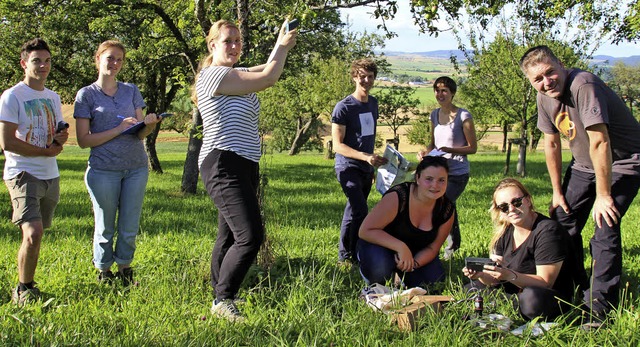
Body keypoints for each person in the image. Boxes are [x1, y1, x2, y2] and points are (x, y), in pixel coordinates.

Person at [520, 45, 640, 320]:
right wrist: (557, 192)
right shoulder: (544, 97)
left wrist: (603, 194)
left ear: (561, 64)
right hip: (584, 165)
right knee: (561, 220)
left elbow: (600, 140)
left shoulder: (583, 85)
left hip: (624, 161)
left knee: (605, 224)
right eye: (538, 79)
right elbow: (551, 143)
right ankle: (571, 288)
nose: (546, 81)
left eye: (550, 72)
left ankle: (598, 308)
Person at [193, 19, 296, 321]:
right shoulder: (212, 75)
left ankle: (218, 295)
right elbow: (268, 78)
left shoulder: (234, 73)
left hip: (245, 163)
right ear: (212, 45)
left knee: (228, 235)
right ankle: (223, 299)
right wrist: (284, 47)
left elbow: (264, 67)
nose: (235, 46)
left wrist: (279, 41)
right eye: (228, 41)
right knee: (250, 235)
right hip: (223, 162)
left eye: (238, 40)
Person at [73, 40, 162, 285]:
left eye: (119, 59)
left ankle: (125, 269)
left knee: (129, 224)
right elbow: (83, 140)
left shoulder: (131, 90)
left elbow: (139, 133)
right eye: (110, 58)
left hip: (136, 167)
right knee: (105, 225)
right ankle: (103, 270)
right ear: (98, 59)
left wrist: (149, 126)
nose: (115, 63)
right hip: (103, 169)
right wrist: (118, 128)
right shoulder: (86, 95)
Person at [0, 38, 69, 304]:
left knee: (38, 234)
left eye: (47, 61)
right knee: (33, 233)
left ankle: (27, 284)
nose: (43, 66)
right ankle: (23, 289)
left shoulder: (52, 97)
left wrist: (59, 140)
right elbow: (7, 142)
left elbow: (55, 134)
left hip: (50, 174)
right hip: (23, 172)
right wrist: (46, 151)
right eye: (36, 61)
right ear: (23, 63)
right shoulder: (12, 96)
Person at [463, 178, 579, 321]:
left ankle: (498, 305)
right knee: (472, 287)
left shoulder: (548, 231)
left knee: (531, 299)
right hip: (513, 289)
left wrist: (508, 275)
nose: (511, 209)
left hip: (548, 294)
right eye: (504, 207)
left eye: (516, 202)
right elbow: (494, 281)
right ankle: (504, 305)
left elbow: (545, 282)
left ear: (528, 200)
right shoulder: (505, 231)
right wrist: (480, 274)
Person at [357, 156, 454, 289]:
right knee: (379, 269)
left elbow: (433, 248)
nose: (435, 185)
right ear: (418, 178)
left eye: (441, 180)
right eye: (429, 179)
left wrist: (413, 264)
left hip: (415, 253)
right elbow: (365, 231)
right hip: (380, 245)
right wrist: (401, 247)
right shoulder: (399, 196)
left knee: (433, 283)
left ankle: (401, 275)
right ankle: (381, 281)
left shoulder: (446, 209)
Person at [331, 58, 388, 266]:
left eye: (370, 77)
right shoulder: (343, 107)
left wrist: (370, 164)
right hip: (347, 167)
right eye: (362, 76)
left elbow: (367, 138)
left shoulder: (373, 104)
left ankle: (344, 256)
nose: (366, 80)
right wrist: (365, 157)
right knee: (361, 210)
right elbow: (337, 145)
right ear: (354, 76)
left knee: (352, 211)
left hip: (365, 168)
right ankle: (358, 254)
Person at [417, 76, 477, 260]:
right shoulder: (434, 115)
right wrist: (425, 153)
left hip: (457, 173)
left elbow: (472, 148)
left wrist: (449, 150)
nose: (440, 94)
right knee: (447, 206)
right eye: (437, 90)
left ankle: (443, 250)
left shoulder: (463, 116)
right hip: (438, 173)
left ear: (452, 93)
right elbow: (433, 144)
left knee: (442, 205)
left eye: (444, 91)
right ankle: (452, 246)